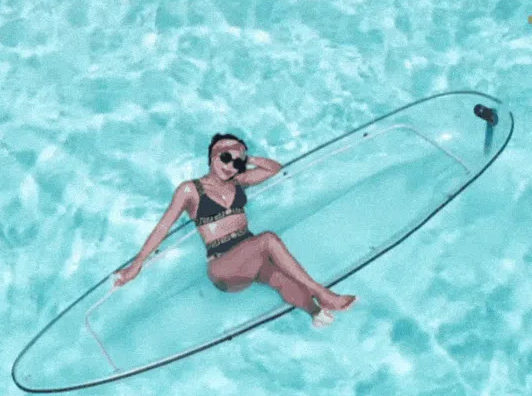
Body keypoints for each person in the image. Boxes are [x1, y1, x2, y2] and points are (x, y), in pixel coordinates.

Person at [114, 133, 356, 327]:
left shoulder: (238, 181)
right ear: (211, 157)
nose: (229, 166)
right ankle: (322, 293)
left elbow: (274, 168)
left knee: (283, 281)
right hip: (224, 267)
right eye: (224, 158)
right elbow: (163, 227)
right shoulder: (191, 190)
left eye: (236, 162)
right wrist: (137, 265)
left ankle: (316, 312)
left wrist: (246, 160)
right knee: (268, 239)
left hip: (250, 257)